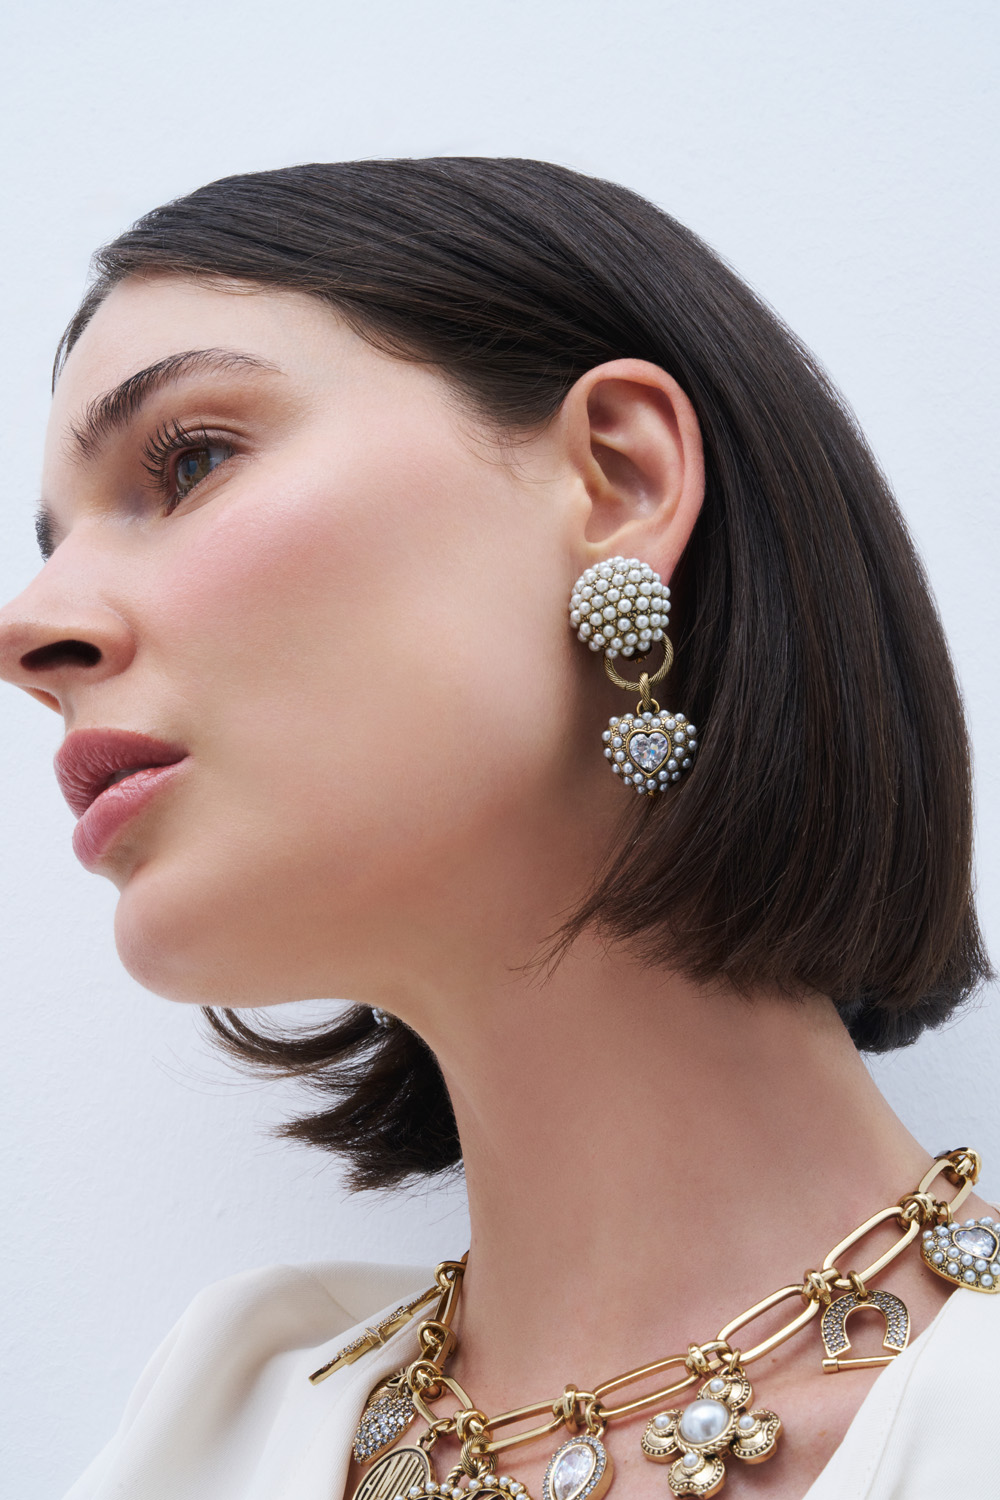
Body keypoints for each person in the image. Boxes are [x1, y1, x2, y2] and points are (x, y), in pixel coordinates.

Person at [0, 158, 995, 1500]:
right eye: (53, 544)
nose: (30, 631)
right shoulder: (210, 1429)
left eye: (192, 462)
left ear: (619, 480)